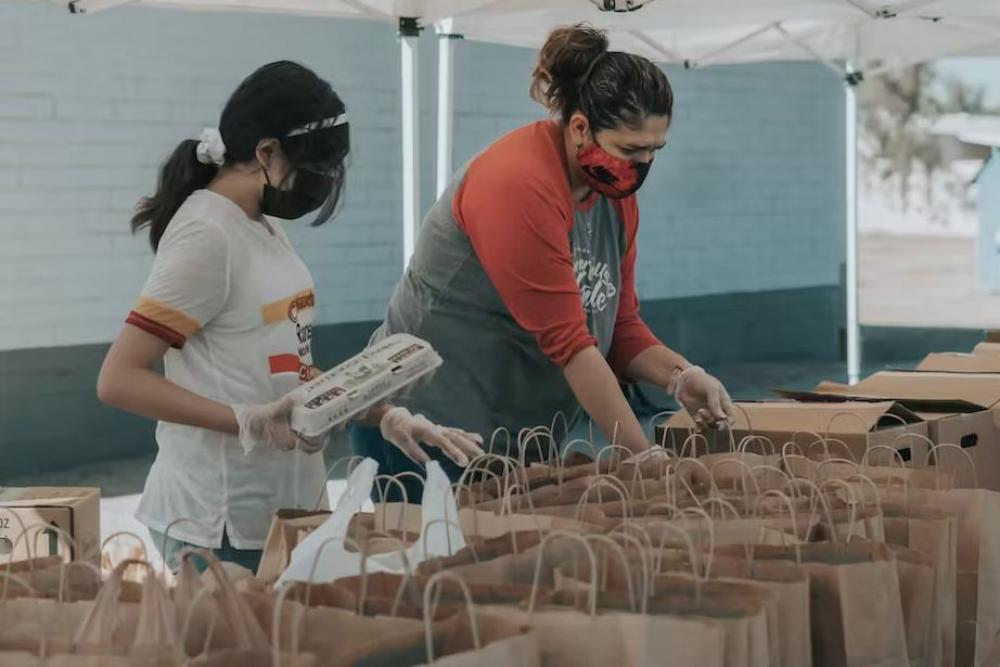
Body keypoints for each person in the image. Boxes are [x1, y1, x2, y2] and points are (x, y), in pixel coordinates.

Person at [97, 61, 482, 573]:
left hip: (284, 509)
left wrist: (380, 411)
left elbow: (286, 372)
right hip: (220, 521)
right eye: (317, 169)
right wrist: (246, 419)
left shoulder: (260, 224)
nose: (322, 184)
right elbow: (119, 380)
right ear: (266, 152)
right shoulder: (206, 235)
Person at [352, 24, 735, 499]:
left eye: (654, 151)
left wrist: (680, 376)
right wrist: (644, 455)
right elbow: (570, 343)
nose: (641, 166)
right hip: (425, 428)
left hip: (513, 437)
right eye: (630, 150)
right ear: (579, 128)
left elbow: (619, 325)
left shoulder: (614, 195)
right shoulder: (517, 184)